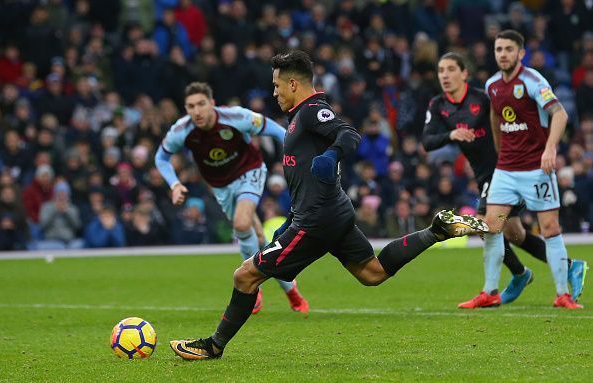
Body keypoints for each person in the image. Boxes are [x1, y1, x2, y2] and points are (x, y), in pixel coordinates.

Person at [168, 50, 489, 361]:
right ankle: (435, 231)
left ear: (294, 84)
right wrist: (290, 218)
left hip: (315, 222)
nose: (274, 92)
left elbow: (348, 133)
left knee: (244, 276)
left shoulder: (311, 111)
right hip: (326, 213)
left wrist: (332, 155)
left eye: (277, 85)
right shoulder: (298, 116)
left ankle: (213, 346)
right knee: (372, 273)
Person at [422, 52, 588, 307]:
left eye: (450, 69)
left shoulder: (483, 98)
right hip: (485, 175)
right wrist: (452, 134)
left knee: (484, 224)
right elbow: (427, 141)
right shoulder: (437, 105)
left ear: (464, 73)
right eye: (441, 70)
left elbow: (513, 118)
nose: (444, 75)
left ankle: (511, 279)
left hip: (503, 171)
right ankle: (563, 267)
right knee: (515, 234)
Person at [155, 81, 309, 314]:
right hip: (221, 188)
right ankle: (292, 292)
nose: (196, 111)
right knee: (258, 239)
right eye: (190, 106)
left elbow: (277, 131)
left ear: (212, 103)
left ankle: (252, 288)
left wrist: (294, 156)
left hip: (250, 172)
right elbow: (161, 159)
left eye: (201, 104)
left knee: (241, 223)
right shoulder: (181, 130)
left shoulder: (236, 117)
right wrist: (175, 184)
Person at [466, 30, 585, 309]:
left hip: (535, 169)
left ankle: (561, 294)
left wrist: (550, 149)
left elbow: (560, 113)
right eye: (498, 49)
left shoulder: (533, 81)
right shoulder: (492, 84)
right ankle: (489, 291)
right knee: (492, 227)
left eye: (508, 49)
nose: (503, 54)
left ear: (521, 53)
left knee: (550, 227)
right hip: (506, 171)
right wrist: (500, 152)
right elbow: (496, 116)